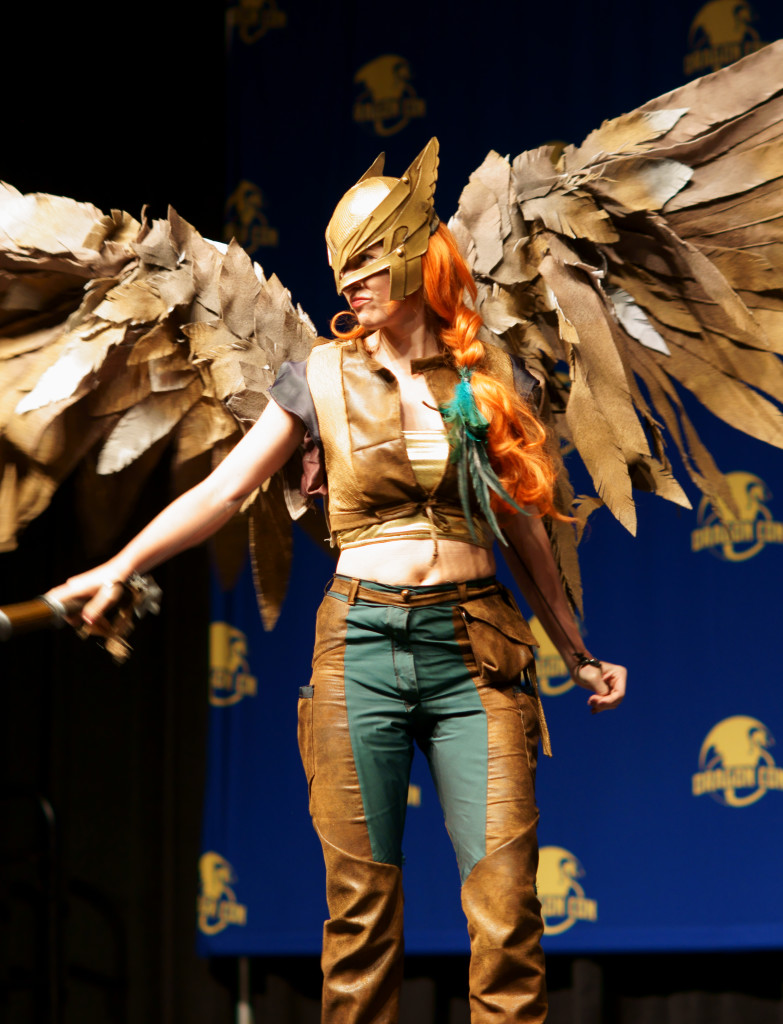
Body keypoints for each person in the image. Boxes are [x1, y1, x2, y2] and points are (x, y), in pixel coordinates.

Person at [47, 138, 626, 1024]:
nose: (348, 285)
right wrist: (120, 565)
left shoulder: (480, 377)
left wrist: (576, 649)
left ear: (409, 258)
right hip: (362, 646)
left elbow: (523, 526)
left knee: (507, 914)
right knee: (360, 921)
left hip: (476, 651)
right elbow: (225, 490)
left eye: (364, 265)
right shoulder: (316, 376)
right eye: (341, 269)